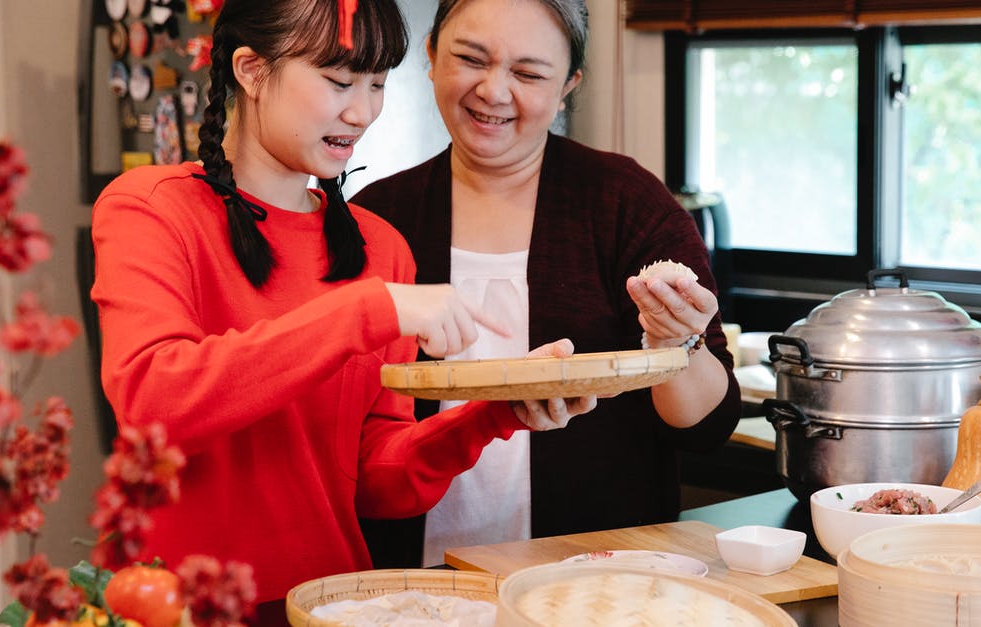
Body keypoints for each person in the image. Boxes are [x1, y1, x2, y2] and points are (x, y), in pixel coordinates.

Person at [89, 0, 596, 622]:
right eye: (337, 81)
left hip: (329, 604)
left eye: (378, 84)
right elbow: (154, 400)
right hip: (170, 607)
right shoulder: (151, 209)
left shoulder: (381, 249)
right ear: (252, 70)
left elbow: (380, 482)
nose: (362, 112)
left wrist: (488, 417)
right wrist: (365, 310)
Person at [352, 0, 742, 568]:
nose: (493, 91)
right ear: (432, 55)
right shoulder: (376, 218)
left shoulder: (624, 204)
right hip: (409, 583)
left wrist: (675, 344)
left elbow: (708, 427)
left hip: (594, 582)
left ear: (568, 85)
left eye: (529, 74)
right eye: (470, 58)